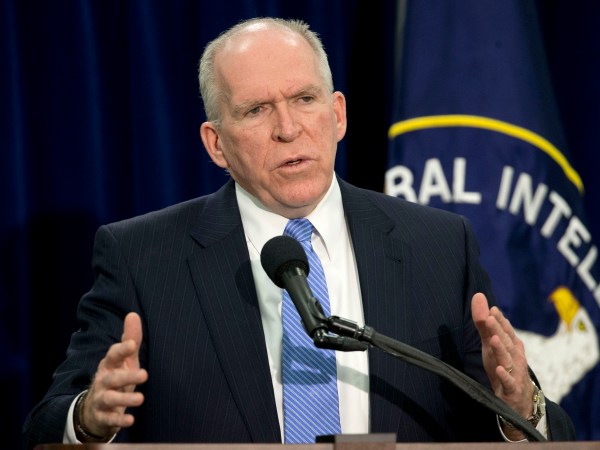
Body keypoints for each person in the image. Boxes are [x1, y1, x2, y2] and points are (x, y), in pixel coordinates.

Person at [22, 17, 575, 448]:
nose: (288, 129)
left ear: (338, 115)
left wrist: (519, 410)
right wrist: (89, 418)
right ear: (216, 144)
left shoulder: (439, 246)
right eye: (256, 110)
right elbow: (47, 422)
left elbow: (537, 428)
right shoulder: (143, 257)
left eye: (304, 100)